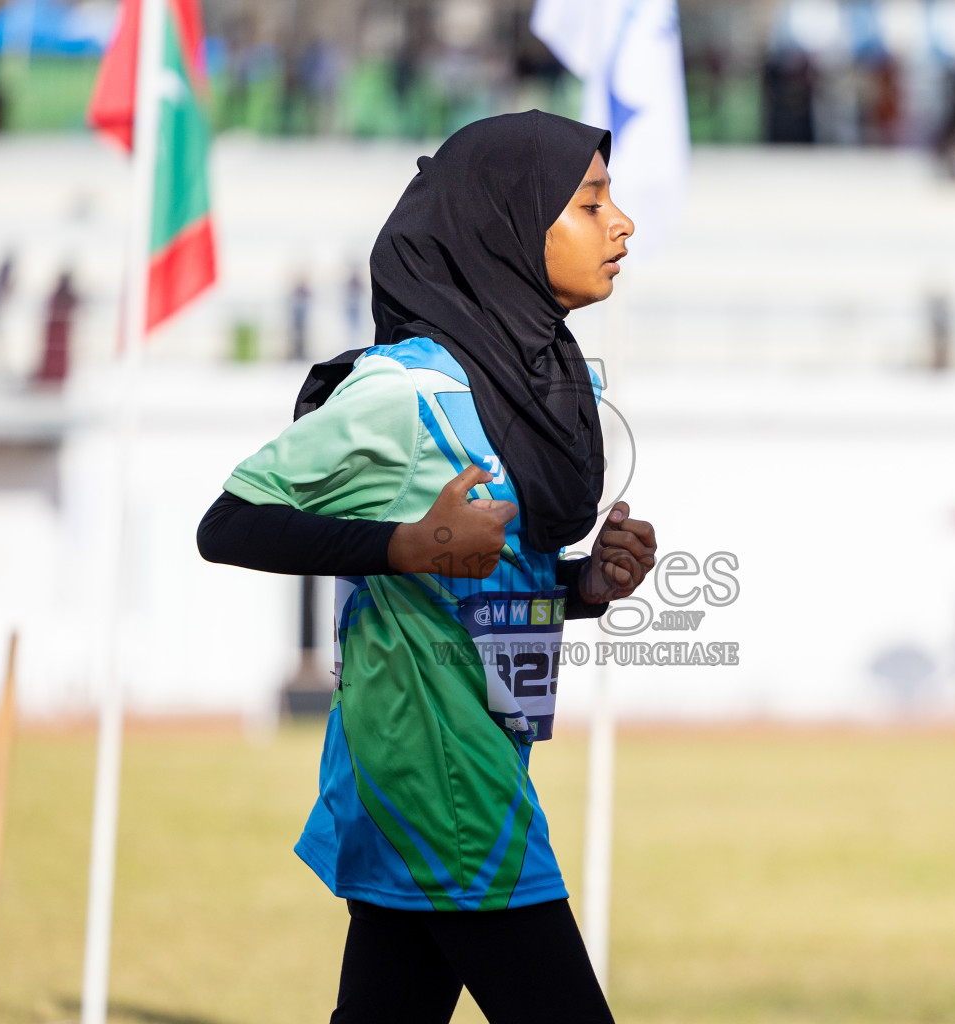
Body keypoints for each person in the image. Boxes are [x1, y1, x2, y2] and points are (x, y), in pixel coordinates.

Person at [196, 111, 654, 1023]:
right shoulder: (405, 391)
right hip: (444, 784)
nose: (622, 223)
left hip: (463, 764)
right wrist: (406, 544)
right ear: (507, 227)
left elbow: (481, 588)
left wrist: (586, 588)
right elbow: (230, 522)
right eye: (591, 202)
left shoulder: (536, 378)